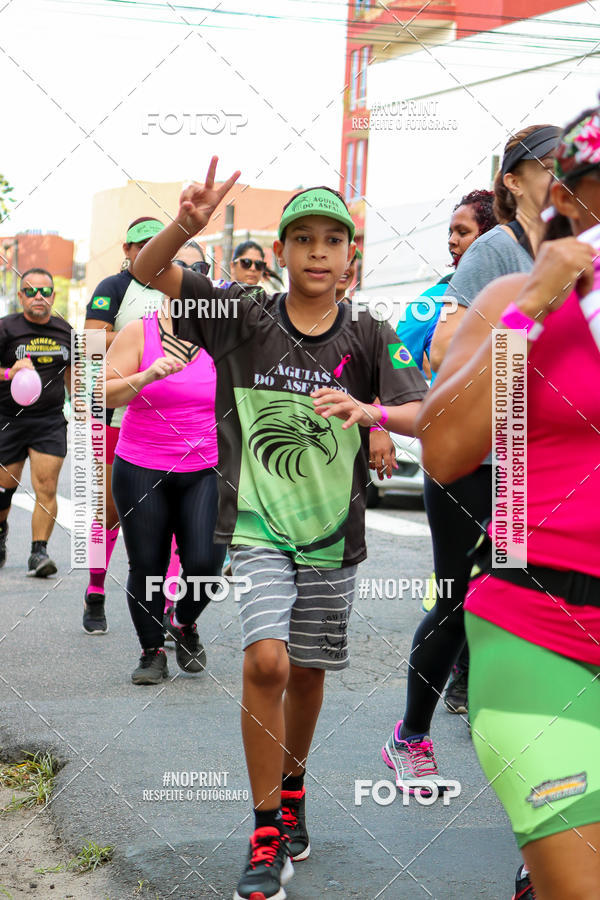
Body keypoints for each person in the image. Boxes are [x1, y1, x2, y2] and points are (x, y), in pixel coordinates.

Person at [133, 159, 427, 900]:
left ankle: (293, 790)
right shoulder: (244, 317)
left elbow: (422, 410)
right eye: (304, 238)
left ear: (351, 259)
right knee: (265, 661)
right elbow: (146, 271)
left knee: (306, 670)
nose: (319, 251)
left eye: (334, 239)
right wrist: (184, 227)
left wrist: (375, 415)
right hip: (260, 529)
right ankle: (266, 831)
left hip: (334, 537)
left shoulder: (370, 332)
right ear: (285, 251)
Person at [414, 103, 600, 900]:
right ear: (560, 200)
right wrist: (537, 305)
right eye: (592, 191)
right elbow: (447, 448)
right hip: (539, 619)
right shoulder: (511, 300)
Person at [381, 124, 561, 806]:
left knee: (525, 595)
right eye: (550, 167)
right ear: (513, 181)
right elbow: (449, 343)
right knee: (465, 595)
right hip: (471, 455)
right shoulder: (495, 249)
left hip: (528, 458)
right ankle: (411, 734)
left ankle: (530, 751)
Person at [395, 190, 497, 710]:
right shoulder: (436, 298)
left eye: (463, 231)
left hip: (518, 459)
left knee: (508, 578)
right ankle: (452, 682)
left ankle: (487, 680)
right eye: (452, 232)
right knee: (459, 586)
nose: (453, 241)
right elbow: (396, 355)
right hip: (458, 456)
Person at [104, 294, 225, 684]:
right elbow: (102, 392)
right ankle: (151, 651)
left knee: (207, 564)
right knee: (147, 564)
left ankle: (183, 620)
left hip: (205, 467)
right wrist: (145, 377)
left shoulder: (223, 338)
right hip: (141, 465)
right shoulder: (141, 331)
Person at [82, 216, 165, 635]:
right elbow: (93, 342)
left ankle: (166, 607)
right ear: (128, 251)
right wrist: (143, 342)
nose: (151, 252)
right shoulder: (113, 288)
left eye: (158, 244)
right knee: (110, 512)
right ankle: (96, 588)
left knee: (169, 513)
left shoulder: (181, 289)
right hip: (117, 413)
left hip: (170, 417)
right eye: (142, 245)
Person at [0, 269, 72, 576]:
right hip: (7, 419)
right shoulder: (6, 328)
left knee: (47, 486)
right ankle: (1, 531)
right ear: (20, 297)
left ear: (53, 296)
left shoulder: (66, 330)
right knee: (4, 490)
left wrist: (82, 404)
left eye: (44, 291)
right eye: (30, 291)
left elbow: (73, 374)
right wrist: (8, 373)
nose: (38, 297)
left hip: (49, 421)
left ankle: (38, 553)